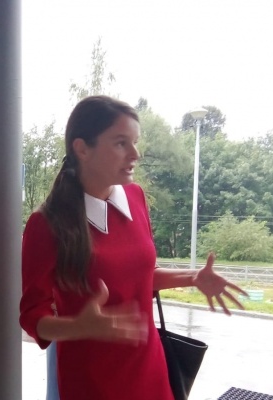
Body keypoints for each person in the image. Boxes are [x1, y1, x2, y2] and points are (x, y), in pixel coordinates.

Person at [19, 95, 248, 400]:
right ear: (82, 148)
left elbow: (139, 277)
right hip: (92, 380)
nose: (135, 154)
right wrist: (77, 326)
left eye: (135, 143)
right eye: (121, 143)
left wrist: (191, 277)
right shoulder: (47, 223)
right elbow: (31, 316)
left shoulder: (135, 198)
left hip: (149, 366)